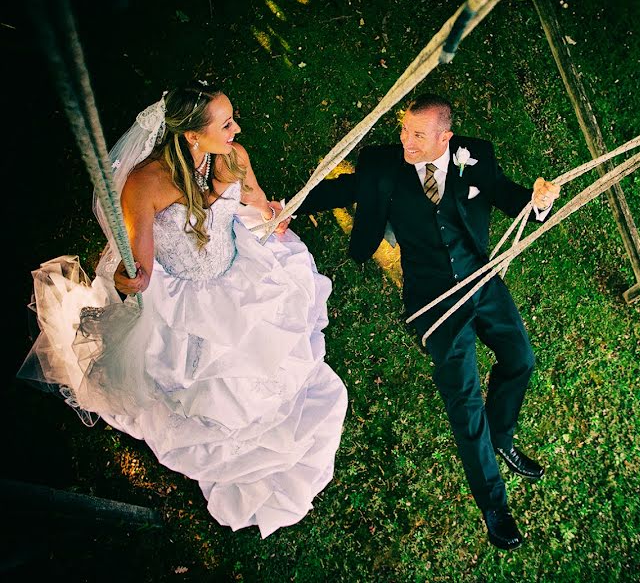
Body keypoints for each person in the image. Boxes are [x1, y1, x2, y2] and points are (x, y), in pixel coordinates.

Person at [18, 82, 348, 539]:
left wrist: (270, 209)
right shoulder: (144, 184)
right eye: (226, 123)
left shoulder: (232, 156)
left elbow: (253, 197)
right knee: (203, 382)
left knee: (272, 349)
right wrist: (128, 280)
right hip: (185, 297)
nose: (238, 128)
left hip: (235, 266)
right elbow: (143, 265)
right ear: (193, 135)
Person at [298, 93, 560, 550]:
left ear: (445, 137)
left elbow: (513, 198)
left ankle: (501, 436)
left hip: (481, 280)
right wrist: (292, 207)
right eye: (403, 129)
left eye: (417, 135)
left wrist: (539, 201)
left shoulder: (475, 157)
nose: (405, 140)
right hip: (434, 302)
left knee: (522, 358)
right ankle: (494, 505)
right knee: (465, 400)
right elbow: (342, 191)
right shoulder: (385, 166)